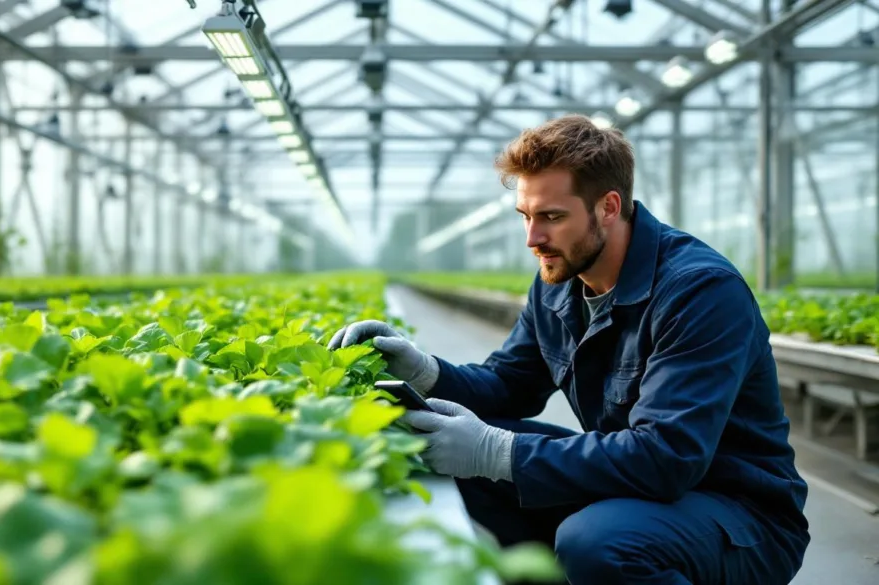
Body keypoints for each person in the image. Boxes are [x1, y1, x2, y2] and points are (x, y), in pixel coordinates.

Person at [328, 115, 810, 585]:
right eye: (526, 216)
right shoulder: (559, 282)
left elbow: (667, 457)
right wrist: (424, 372)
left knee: (597, 541)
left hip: (739, 517)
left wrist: (498, 453)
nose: (533, 238)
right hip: (639, 489)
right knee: (448, 444)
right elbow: (508, 387)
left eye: (552, 217)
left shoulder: (698, 291)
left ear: (608, 207)